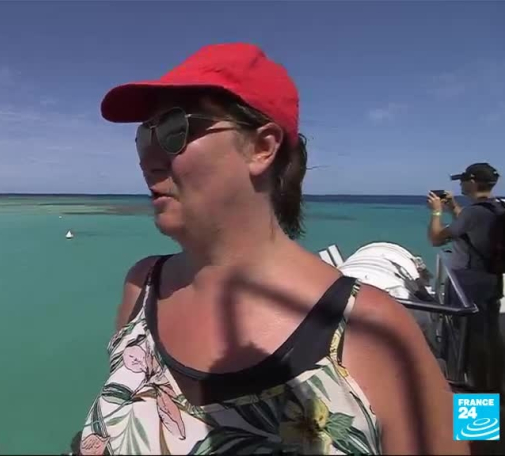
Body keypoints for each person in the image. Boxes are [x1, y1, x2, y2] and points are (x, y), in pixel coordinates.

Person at [71, 43, 467, 455]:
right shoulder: (143, 287)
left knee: (484, 367)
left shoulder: (371, 327)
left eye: (174, 130)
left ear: (262, 147)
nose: (148, 159)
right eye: (144, 136)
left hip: (482, 301)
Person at [427, 163, 505, 394]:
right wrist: (453, 207)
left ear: (472, 182)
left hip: (469, 283)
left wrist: (436, 212)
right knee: (491, 335)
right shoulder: (497, 207)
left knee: (469, 341)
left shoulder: (473, 213)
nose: (460, 184)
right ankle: (497, 389)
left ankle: (477, 400)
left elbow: (436, 238)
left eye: (462, 180)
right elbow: (472, 227)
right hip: (492, 278)